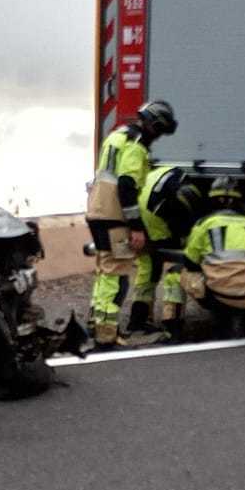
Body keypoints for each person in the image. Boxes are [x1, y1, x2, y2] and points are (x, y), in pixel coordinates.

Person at [85, 99, 177, 346]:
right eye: (159, 131)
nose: (157, 137)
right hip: (114, 215)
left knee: (105, 271)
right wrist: (136, 226)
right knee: (117, 273)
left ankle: (97, 326)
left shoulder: (117, 136)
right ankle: (107, 334)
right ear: (154, 125)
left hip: (96, 210)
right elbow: (126, 185)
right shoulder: (136, 147)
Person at [180, 178, 245, 338]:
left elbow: (189, 261)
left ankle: (215, 319)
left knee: (180, 271)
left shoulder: (205, 223)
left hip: (219, 295)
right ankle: (242, 319)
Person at [135, 163, 207, 343]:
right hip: (154, 214)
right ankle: (168, 324)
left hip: (139, 208)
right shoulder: (188, 202)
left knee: (148, 265)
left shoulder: (167, 174)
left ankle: (138, 319)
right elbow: (186, 240)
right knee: (170, 270)